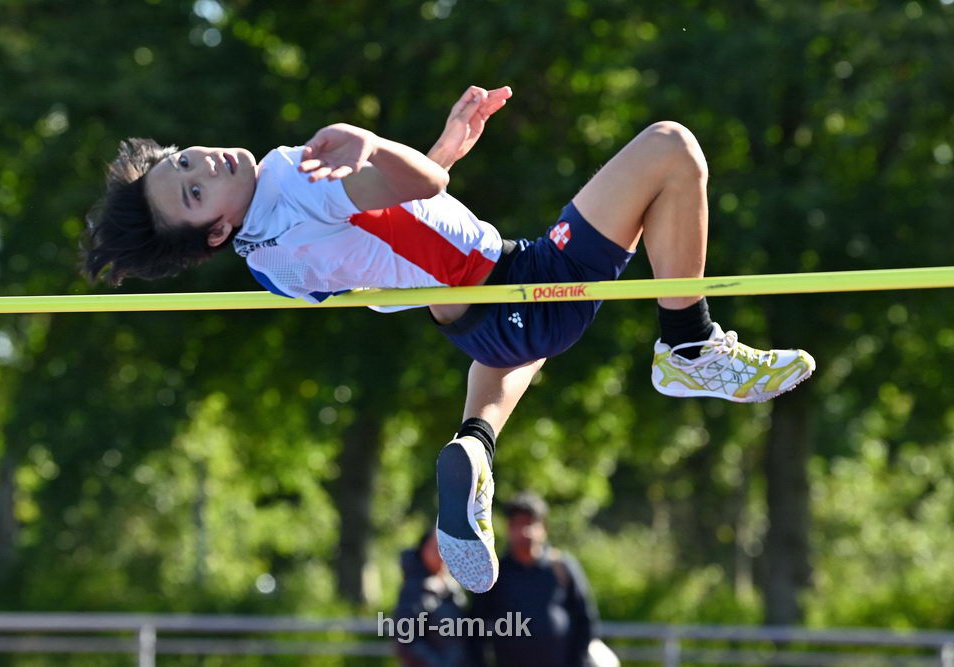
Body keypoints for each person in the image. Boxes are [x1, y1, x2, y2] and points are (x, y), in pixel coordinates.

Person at [82, 85, 816, 594]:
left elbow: (386, 231)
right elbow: (422, 193)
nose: (204, 165)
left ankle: (474, 446)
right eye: (193, 191)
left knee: (514, 352)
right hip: (515, 282)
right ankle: (689, 344)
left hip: (474, 321)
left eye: (184, 161)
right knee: (670, 149)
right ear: (214, 229)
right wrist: (374, 144)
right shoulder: (289, 174)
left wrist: (442, 149)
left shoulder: (267, 264)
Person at [468, 492, 608, 667]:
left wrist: (579, 661)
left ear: (544, 527)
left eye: (531, 523)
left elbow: (586, 620)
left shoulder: (561, 567)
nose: (526, 531)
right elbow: (475, 625)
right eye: (518, 524)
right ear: (508, 528)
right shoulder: (493, 573)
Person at [393, 529, 470, 667]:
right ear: (423, 550)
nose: (441, 555)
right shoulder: (413, 590)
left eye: (446, 549)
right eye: (436, 548)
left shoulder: (454, 588)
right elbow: (406, 639)